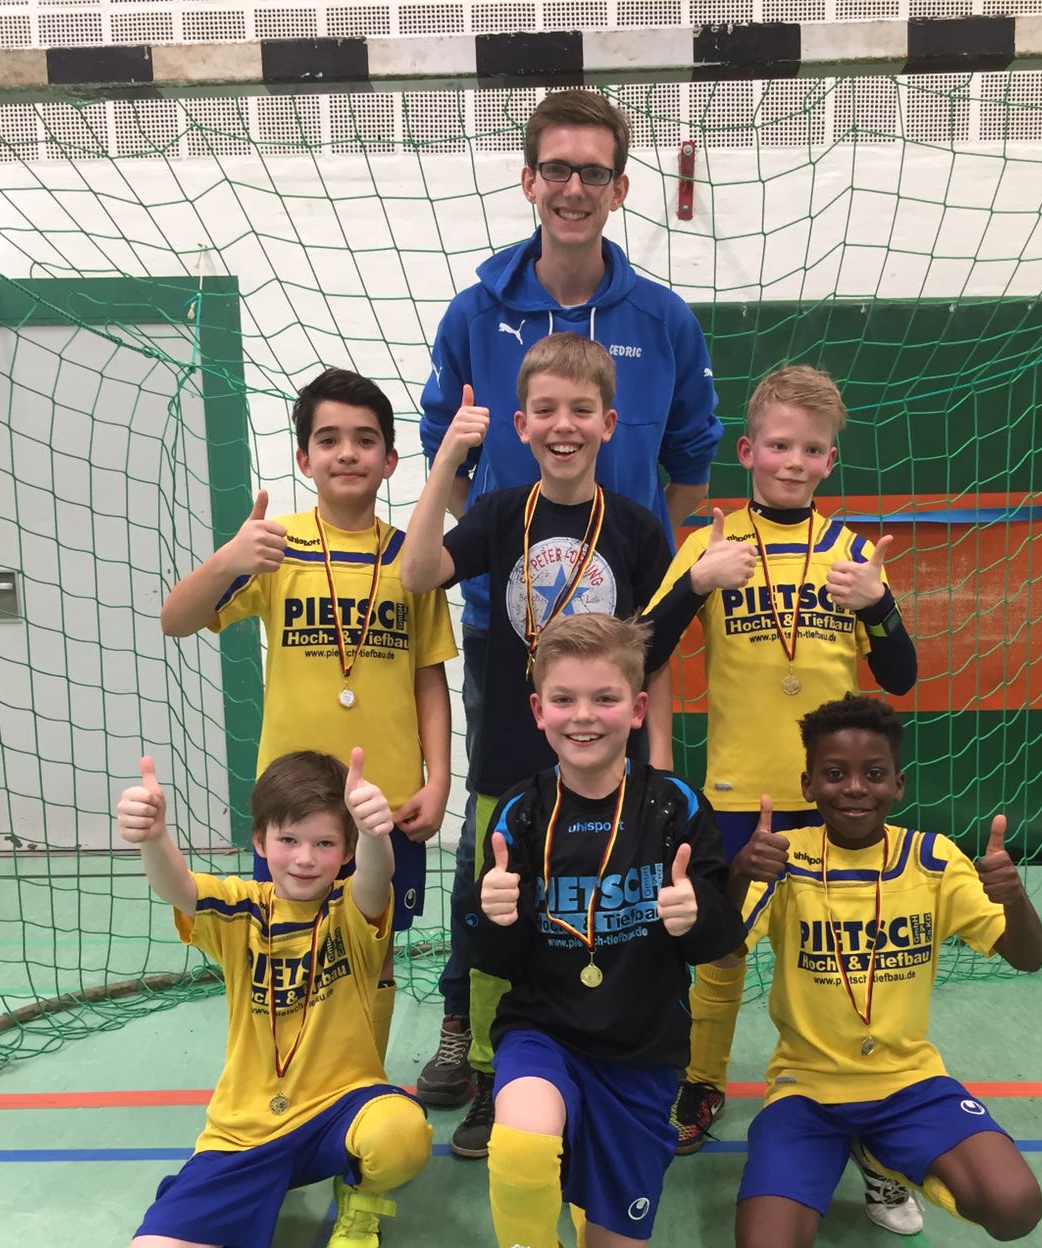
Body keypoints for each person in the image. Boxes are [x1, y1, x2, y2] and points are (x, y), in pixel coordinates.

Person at [416, 87, 722, 1140]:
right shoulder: (475, 310)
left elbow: (689, 465)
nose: (574, 187)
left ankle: (609, 1030)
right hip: (510, 639)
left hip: (620, 638)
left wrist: (638, 575)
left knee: (622, 837)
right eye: (558, 168)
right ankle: (469, 1020)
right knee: (497, 835)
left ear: (621, 187)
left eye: (594, 171)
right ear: (529, 179)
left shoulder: (663, 320)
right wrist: (512, 547)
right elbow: (447, 451)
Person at [404, 335, 742, 1158]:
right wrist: (447, 458)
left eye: (582, 410)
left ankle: (609, 1061)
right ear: (520, 425)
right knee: (495, 919)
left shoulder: (634, 526)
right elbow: (416, 572)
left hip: (607, 769)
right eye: (546, 411)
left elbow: (651, 654)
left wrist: (660, 761)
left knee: (609, 917)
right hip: (510, 761)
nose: (565, 425)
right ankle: (492, 1077)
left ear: (609, 424)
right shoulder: (497, 513)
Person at [646, 364, 920, 1226]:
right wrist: (697, 583)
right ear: (747, 450)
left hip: (839, 801)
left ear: (830, 460)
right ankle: (701, 1085)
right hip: (737, 795)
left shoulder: (854, 553)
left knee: (841, 958)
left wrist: (878, 605)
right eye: (778, 446)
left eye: (810, 450)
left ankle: (857, 1107)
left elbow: (901, 677)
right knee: (720, 954)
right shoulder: (712, 540)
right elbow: (641, 650)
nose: (793, 462)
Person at [446, 614, 744, 1248]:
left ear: (638, 710)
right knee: (520, 1136)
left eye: (605, 698)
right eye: (565, 699)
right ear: (538, 710)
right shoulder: (520, 812)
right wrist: (492, 914)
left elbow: (719, 937)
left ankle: (582, 1187)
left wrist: (695, 914)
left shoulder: (675, 806)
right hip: (544, 1029)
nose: (584, 716)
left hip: (640, 1051)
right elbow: (495, 958)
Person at [161, 368, 455, 1065]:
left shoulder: (412, 559)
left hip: (384, 803)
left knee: (375, 949)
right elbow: (175, 619)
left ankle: (361, 1080)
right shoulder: (275, 547)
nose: (347, 452)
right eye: (328, 439)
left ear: (390, 459)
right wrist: (227, 559)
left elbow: (429, 677)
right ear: (303, 458)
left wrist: (439, 778)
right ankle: (287, 1081)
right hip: (293, 805)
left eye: (365, 440)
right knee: (282, 949)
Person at [732, 695, 1042, 1248]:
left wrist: (1013, 897)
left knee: (1015, 1207)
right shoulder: (786, 860)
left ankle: (881, 1157)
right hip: (807, 1088)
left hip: (908, 1082)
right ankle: (844, 1149)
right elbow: (721, 951)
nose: (854, 788)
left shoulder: (932, 859)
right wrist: (739, 874)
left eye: (873, 773)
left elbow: (1028, 957)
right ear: (808, 784)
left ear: (898, 785)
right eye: (835, 773)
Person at [115, 748, 433, 1248]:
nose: (306, 859)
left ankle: (358, 1195)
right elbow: (178, 886)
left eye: (325, 843)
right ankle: (252, 1191)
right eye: (289, 840)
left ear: (346, 852)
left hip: (339, 1108)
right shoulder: (238, 910)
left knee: (400, 1134)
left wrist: (374, 831)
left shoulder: (351, 911)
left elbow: (377, 878)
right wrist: (153, 837)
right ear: (260, 841)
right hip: (246, 1130)